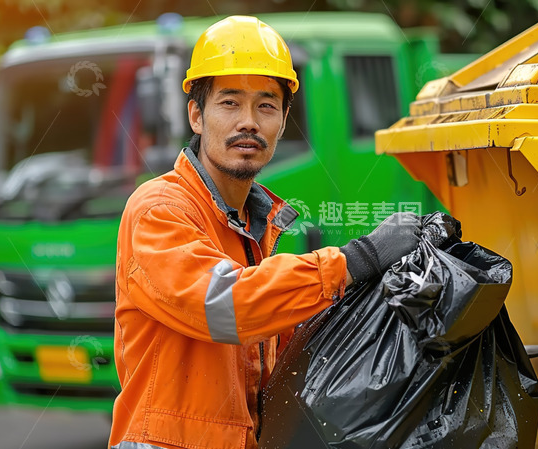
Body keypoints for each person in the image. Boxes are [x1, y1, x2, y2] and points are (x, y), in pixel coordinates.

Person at [108, 16, 422, 449]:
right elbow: (228, 304)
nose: (249, 122)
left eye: (266, 106)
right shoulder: (159, 210)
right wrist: (357, 259)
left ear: (284, 119)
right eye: (230, 103)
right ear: (196, 116)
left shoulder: (253, 230)